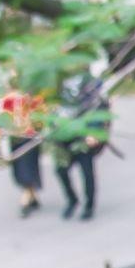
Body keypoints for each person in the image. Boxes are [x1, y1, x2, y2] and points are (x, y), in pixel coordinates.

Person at [52, 72, 110, 220]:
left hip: (83, 138)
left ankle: (89, 206)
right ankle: (72, 200)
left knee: (87, 173)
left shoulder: (89, 83)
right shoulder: (59, 79)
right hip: (65, 139)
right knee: (61, 170)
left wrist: (95, 132)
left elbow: (100, 107)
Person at [0, 87, 48, 217]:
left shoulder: (35, 99)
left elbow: (42, 116)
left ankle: (26, 199)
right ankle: (32, 197)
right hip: (16, 137)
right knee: (19, 167)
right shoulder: (9, 99)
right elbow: (2, 117)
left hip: (30, 138)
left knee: (28, 168)